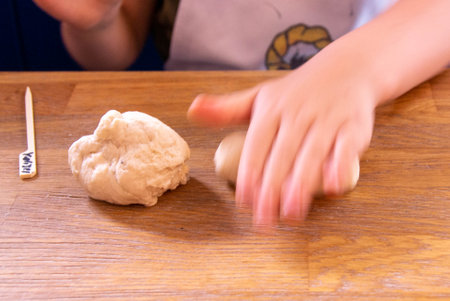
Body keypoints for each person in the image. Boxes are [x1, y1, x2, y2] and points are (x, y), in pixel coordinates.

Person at [33, 0, 450, 224]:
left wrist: (360, 66)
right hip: (197, 104)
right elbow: (114, 50)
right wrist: (98, 22)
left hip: (386, 92)